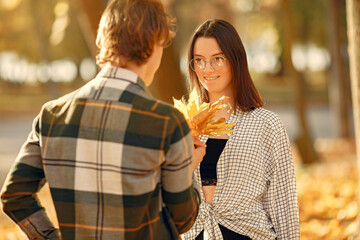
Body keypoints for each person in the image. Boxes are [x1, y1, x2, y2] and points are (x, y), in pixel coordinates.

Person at [1, 0, 206, 239]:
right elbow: (182, 219)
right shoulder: (167, 122)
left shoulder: (51, 115)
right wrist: (187, 168)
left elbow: (15, 196)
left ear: (104, 40)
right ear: (153, 44)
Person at [181, 19, 300, 240]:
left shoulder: (267, 125)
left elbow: (284, 206)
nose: (207, 69)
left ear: (235, 60)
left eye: (217, 59)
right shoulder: (183, 125)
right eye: (199, 61)